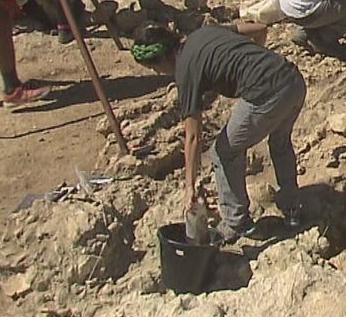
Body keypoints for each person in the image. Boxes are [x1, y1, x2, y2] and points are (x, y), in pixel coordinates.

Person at [131, 23, 306, 242]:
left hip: (266, 94)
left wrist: (189, 187)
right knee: (280, 143)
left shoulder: (185, 69)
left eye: (154, 68)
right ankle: (292, 211)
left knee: (224, 153)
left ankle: (237, 223)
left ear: (163, 59)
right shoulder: (203, 32)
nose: (157, 73)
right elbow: (259, 28)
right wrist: (250, 64)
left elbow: (193, 136)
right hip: (293, 80)